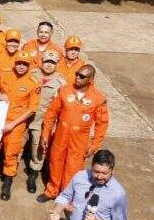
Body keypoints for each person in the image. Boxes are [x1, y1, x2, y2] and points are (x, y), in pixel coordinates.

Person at [38, 65, 109, 202]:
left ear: (91, 79)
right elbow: (50, 114)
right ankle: (52, 190)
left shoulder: (98, 98)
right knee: (55, 163)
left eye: (82, 76)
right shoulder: (64, 91)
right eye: (77, 74)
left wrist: (94, 146)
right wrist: (45, 135)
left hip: (79, 141)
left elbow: (102, 124)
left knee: (73, 168)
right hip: (60, 136)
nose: (77, 77)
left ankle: (67, 195)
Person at [0, 51, 40, 200]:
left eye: (25, 64)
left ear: (29, 66)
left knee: (11, 153)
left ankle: (7, 182)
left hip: (16, 123)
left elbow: (32, 109)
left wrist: (13, 124)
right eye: (19, 63)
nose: (21, 67)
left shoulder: (33, 83)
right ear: (15, 63)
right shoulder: (5, 73)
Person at [25, 51, 66, 193]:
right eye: (47, 61)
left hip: (42, 121)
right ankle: (9, 171)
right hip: (25, 115)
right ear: (41, 62)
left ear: (56, 64)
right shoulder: (32, 74)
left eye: (52, 62)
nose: (49, 65)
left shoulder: (61, 83)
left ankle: (33, 174)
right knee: (17, 144)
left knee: (39, 148)